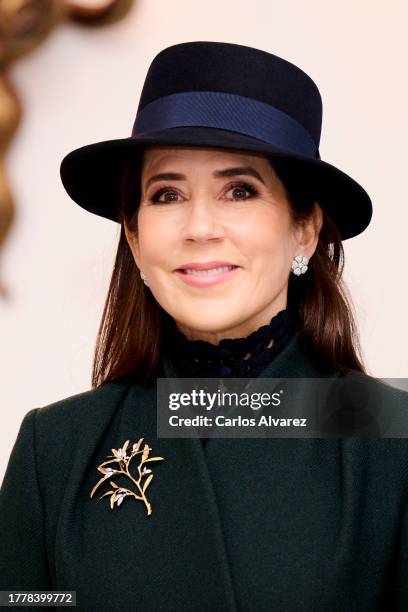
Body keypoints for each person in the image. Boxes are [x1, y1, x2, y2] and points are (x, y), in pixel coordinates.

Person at [0, 41, 407, 611]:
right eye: (167, 194)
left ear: (305, 230)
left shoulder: (392, 437)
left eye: (239, 190)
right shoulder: (56, 448)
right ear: (136, 241)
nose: (199, 226)